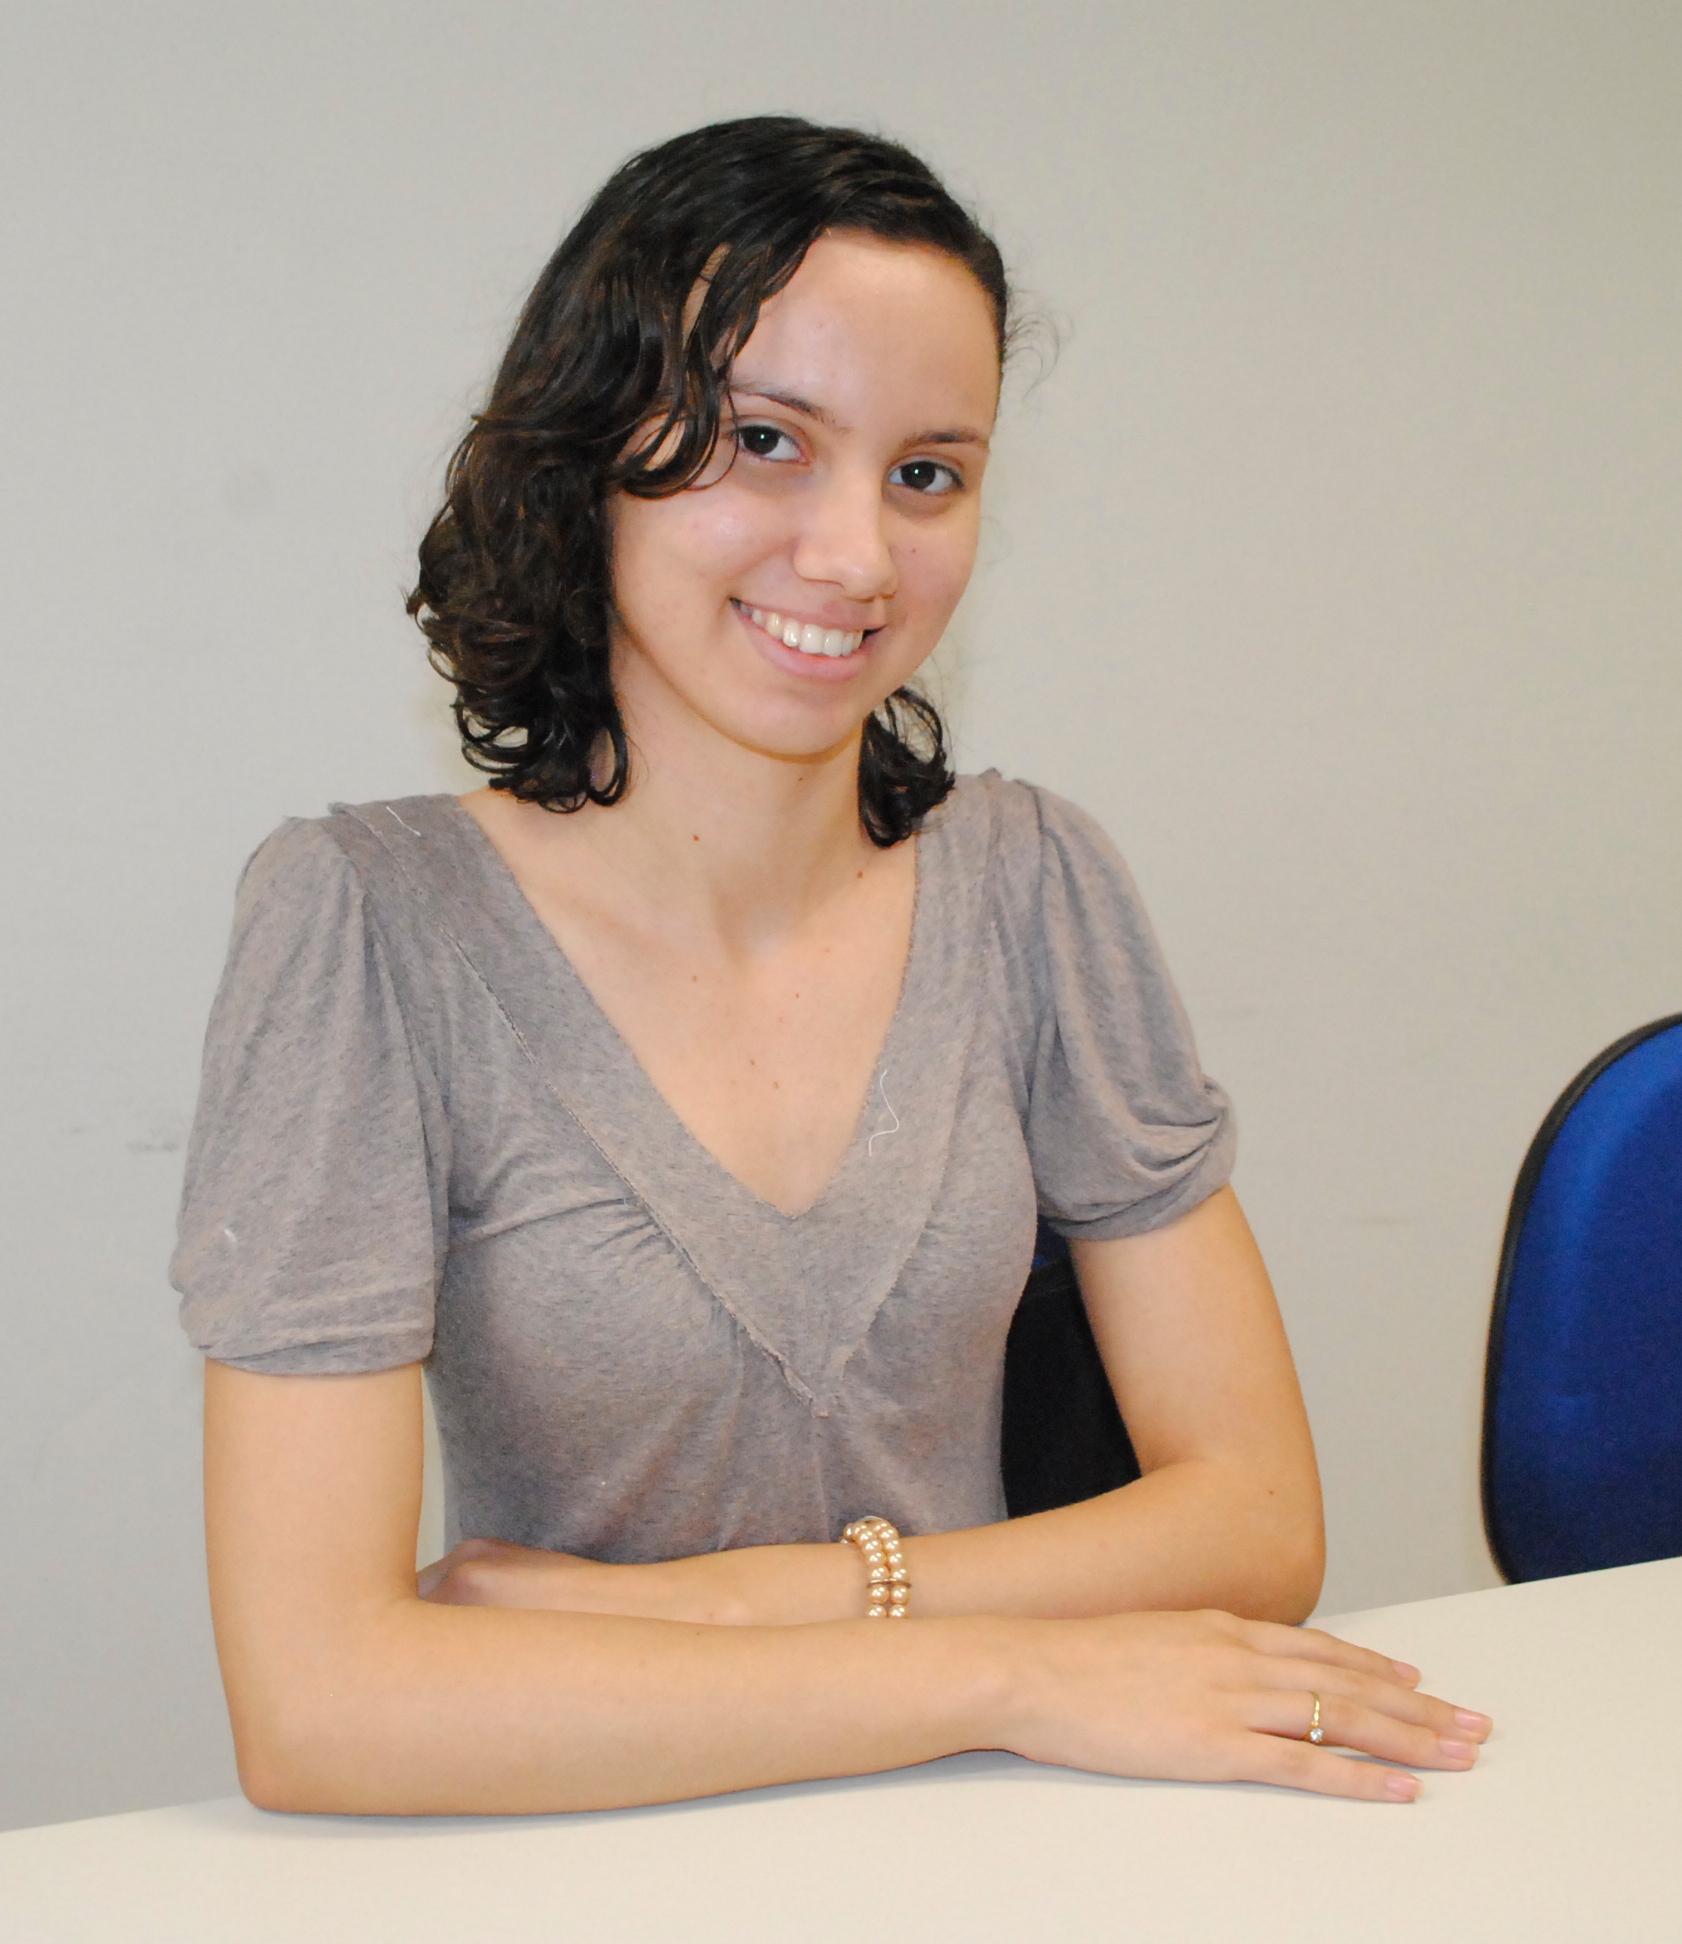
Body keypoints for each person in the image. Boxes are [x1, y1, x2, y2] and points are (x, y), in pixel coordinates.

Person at [174, 116, 1489, 1815]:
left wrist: (732, 1605)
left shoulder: (1033, 884)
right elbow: (322, 1707)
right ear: (591, 449)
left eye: (928, 473)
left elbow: (1257, 1519)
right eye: (766, 442)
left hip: (995, 1828)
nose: (859, 557)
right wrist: (1010, 1668)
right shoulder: (370, 924)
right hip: (594, 1845)